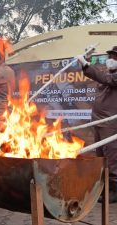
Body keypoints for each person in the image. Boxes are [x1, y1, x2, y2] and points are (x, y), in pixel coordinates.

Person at [76, 46, 117, 203]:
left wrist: (86, 65)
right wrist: (86, 60)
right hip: (99, 121)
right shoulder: (109, 73)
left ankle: (115, 190)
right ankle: (104, 187)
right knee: (100, 156)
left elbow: (103, 78)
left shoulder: (113, 76)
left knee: (112, 156)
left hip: (111, 123)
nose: (111, 60)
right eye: (111, 56)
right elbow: (98, 74)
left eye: (115, 57)